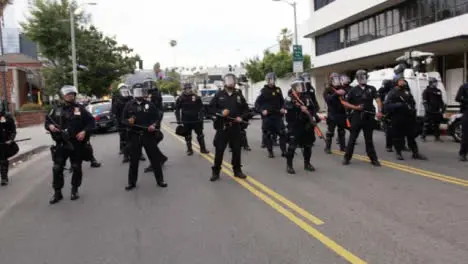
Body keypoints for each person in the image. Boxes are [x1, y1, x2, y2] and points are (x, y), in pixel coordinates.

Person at [45, 85, 95, 204]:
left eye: (72, 94)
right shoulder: (56, 109)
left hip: (75, 143)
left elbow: (91, 122)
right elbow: (47, 121)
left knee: (76, 167)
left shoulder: (80, 109)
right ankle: (57, 193)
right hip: (61, 143)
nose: (70, 96)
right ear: (63, 96)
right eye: (68, 94)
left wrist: (84, 131)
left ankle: (74, 189)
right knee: (57, 168)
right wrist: (50, 126)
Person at [121, 83, 167, 190]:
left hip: (148, 135)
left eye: (141, 91)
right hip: (135, 136)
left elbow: (157, 117)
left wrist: (153, 125)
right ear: (134, 93)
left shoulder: (149, 105)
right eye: (137, 91)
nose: (139, 94)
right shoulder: (129, 105)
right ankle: (131, 183)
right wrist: (129, 122)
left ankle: (160, 180)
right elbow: (122, 120)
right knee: (134, 161)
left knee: (154, 159)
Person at [208, 73, 249, 181]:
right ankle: (216, 171)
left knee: (236, 149)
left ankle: (237, 170)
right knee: (219, 150)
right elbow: (210, 109)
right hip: (222, 127)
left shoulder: (238, 94)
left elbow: (246, 109)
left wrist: (241, 117)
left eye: (232, 80)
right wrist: (221, 112)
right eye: (228, 80)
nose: (231, 82)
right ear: (224, 82)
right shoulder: (219, 94)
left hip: (235, 126)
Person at [342, 69, 383, 166]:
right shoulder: (353, 90)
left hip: (369, 116)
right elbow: (345, 103)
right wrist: (355, 107)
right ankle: (347, 158)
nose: (363, 79)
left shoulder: (372, 88)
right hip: (357, 116)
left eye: (364, 77)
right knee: (352, 138)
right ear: (357, 79)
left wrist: (379, 111)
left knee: (369, 139)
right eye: (360, 77)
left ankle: (373, 159)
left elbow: (378, 100)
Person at [384, 77, 427, 160]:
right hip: (397, 117)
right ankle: (398, 153)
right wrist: (399, 105)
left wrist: (412, 108)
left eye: (403, 81)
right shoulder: (392, 93)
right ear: (396, 82)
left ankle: (415, 153)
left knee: (411, 136)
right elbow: (387, 106)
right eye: (401, 81)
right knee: (398, 137)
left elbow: (412, 102)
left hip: (408, 117)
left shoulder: (406, 92)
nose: (403, 82)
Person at [284, 78, 317, 174]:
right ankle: (289, 165)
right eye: (299, 86)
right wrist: (298, 106)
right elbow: (288, 106)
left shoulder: (307, 97)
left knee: (308, 146)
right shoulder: (289, 97)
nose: (301, 88)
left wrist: (313, 116)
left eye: (302, 86)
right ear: (294, 88)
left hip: (306, 125)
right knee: (292, 146)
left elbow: (313, 108)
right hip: (295, 125)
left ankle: (307, 164)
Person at [255, 72, 287, 158]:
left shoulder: (278, 90)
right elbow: (257, 104)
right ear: (267, 80)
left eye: (273, 79)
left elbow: (283, 102)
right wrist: (262, 111)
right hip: (268, 117)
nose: (272, 81)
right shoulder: (263, 91)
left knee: (283, 133)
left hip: (277, 116)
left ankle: (284, 150)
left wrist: (283, 108)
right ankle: (270, 151)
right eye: (270, 79)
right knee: (267, 134)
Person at [175, 83, 209, 155]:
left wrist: (201, 116)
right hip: (186, 120)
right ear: (184, 89)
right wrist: (178, 119)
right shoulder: (180, 98)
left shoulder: (196, 97)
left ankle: (203, 149)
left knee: (200, 135)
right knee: (187, 135)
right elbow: (177, 109)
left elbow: (201, 108)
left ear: (191, 89)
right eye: (186, 89)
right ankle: (189, 150)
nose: (188, 90)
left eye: (189, 88)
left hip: (196, 119)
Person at [143, 80, 168, 172]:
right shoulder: (148, 95)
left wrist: (155, 124)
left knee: (150, 145)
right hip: (148, 123)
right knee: (150, 145)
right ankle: (161, 158)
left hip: (153, 123)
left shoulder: (155, 95)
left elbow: (158, 111)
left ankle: (155, 163)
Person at [323, 72, 347, 153]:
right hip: (332, 113)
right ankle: (327, 148)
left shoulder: (343, 88)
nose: (336, 81)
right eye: (334, 79)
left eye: (337, 79)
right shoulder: (328, 90)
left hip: (341, 113)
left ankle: (343, 147)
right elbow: (328, 100)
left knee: (342, 131)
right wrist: (336, 94)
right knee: (330, 132)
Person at [111, 83, 134, 162]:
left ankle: (139, 153)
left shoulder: (131, 97)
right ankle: (126, 155)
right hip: (121, 121)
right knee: (124, 138)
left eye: (124, 87)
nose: (123, 89)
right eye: (122, 88)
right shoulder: (116, 98)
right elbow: (114, 111)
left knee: (135, 138)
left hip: (132, 121)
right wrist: (116, 123)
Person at [421, 77, 445, 142]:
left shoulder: (438, 91)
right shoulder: (426, 91)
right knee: (426, 124)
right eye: (435, 82)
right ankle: (423, 137)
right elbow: (424, 101)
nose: (436, 83)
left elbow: (440, 101)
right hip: (429, 110)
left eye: (436, 82)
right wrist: (427, 108)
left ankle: (437, 137)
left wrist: (442, 107)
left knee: (437, 124)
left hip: (437, 110)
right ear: (431, 83)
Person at [0, 105, 16, 186]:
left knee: (3, 160)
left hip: (4, 142)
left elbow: (13, 130)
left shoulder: (7, 117)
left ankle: (4, 178)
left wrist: (11, 139)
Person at [378, 79, 395, 152]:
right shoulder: (382, 91)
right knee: (389, 130)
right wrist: (381, 112)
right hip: (386, 112)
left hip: (394, 111)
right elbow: (380, 102)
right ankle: (389, 146)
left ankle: (401, 145)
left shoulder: (393, 91)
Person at [455, 82, 468, 161]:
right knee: (466, 134)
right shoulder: (464, 87)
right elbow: (457, 98)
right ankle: (463, 153)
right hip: (467, 111)